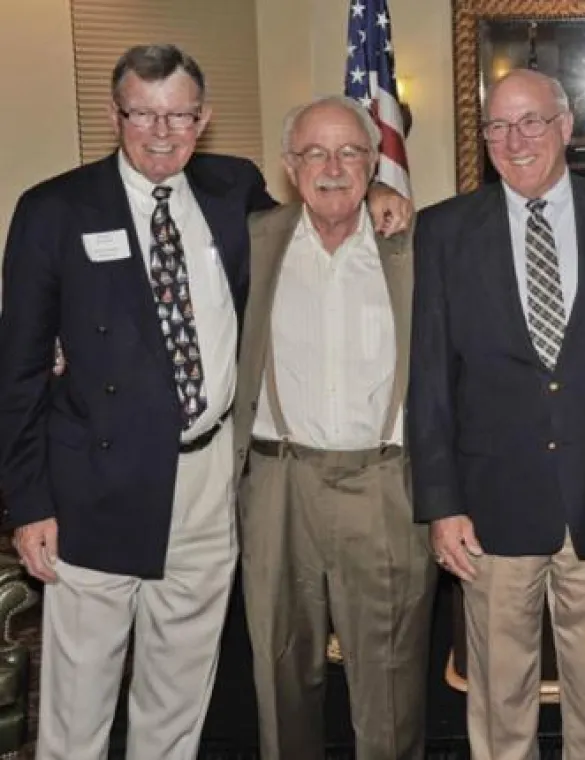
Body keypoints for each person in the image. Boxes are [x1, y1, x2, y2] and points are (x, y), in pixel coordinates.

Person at [0, 44, 410, 760]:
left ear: (204, 118)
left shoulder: (232, 190)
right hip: (94, 489)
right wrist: (30, 503)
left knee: (179, 695)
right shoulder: (54, 209)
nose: (162, 132)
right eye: (144, 114)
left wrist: (377, 193)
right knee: (78, 703)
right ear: (115, 115)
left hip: (209, 480)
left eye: (180, 115)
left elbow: (323, 204)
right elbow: (20, 373)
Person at [408, 68, 585, 760]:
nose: (515, 139)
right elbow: (431, 379)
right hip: (491, 508)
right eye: (499, 125)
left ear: (566, 127)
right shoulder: (444, 230)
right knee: (500, 699)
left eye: (531, 121)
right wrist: (441, 503)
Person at [230, 95, 434, 760]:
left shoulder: (414, 247)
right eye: (314, 152)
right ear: (289, 165)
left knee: (392, 680)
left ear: (375, 163)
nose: (332, 166)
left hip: (384, 485)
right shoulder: (252, 241)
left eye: (351, 152)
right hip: (278, 482)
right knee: (280, 670)